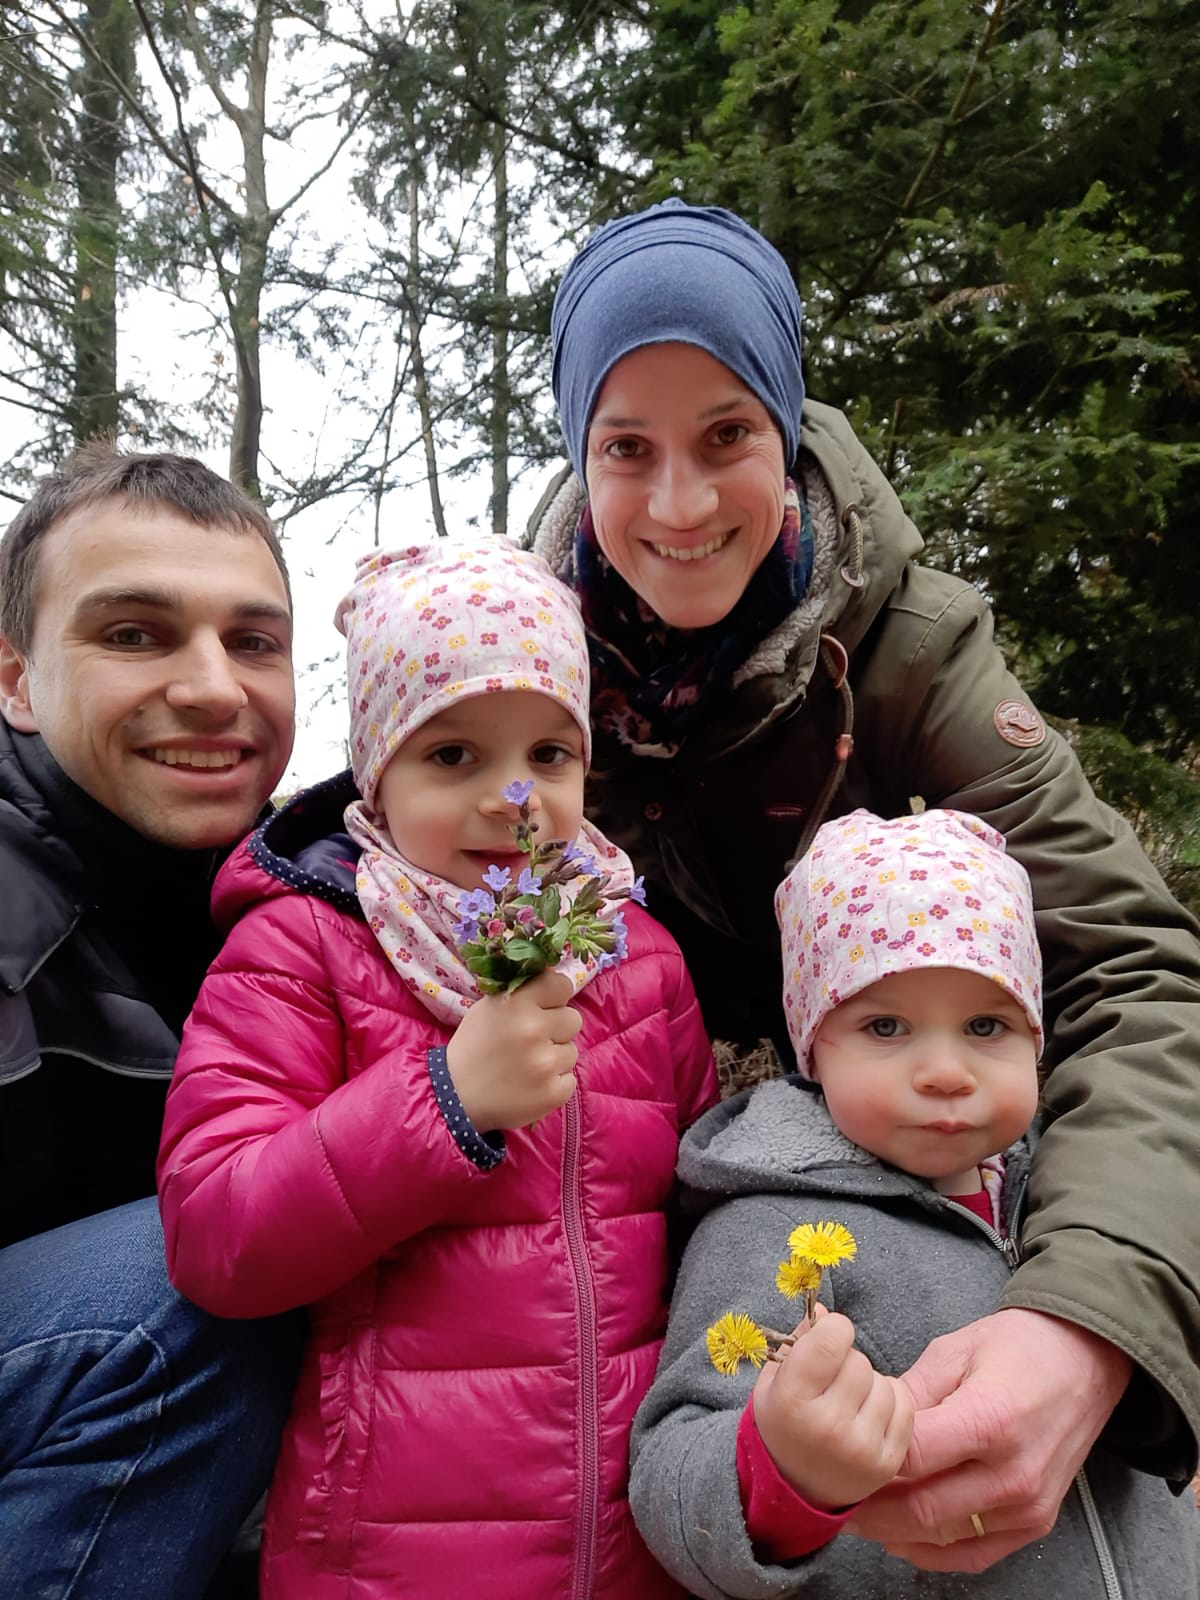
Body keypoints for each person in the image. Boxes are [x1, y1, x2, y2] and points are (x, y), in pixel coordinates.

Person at [524, 197, 1200, 1570]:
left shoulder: (910, 652)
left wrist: (1092, 1320)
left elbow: (1134, 968)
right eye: (627, 448)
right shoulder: (517, 667)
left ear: (786, 426)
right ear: (578, 455)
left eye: (728, 436)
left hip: (903, 1166)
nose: (680, 504)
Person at [155, 539, 718, 1599]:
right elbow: (215, 1232)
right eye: (453, 755)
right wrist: (444, 1100)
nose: (515, 798)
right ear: (378, 772)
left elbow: (700, 1211)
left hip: (630, 1544)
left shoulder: (639, 958)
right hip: (387, 1551)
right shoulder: (305, 949)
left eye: (549, 753)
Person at [628, 807, 1200, 1597]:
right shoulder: (773, 1223)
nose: (945, 1072)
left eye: (986, 1025)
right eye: (887, 1025)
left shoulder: (1079, 1196)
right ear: (813, 1045)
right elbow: (672, 1464)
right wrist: (783, 1474)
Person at [0, 444, 304, 1598]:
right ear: (16, 680)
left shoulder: (315, 900)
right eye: (135, 634)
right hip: (89, 1358)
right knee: (207, 1283)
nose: (215, 688)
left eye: (254, 641)